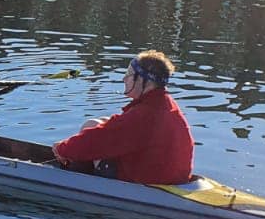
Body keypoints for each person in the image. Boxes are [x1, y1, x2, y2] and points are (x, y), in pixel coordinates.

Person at [52, 50, 194, 184]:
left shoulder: (144, 115)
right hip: (171, 176)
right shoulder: (166, 104)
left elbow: (99, 140)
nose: (124, 78)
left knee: (90, 134)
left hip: (149, 182)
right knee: (94, 123)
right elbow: (116, 130)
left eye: (129, 74)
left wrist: (62, 149)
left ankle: (72, 181)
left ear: (144, 80)